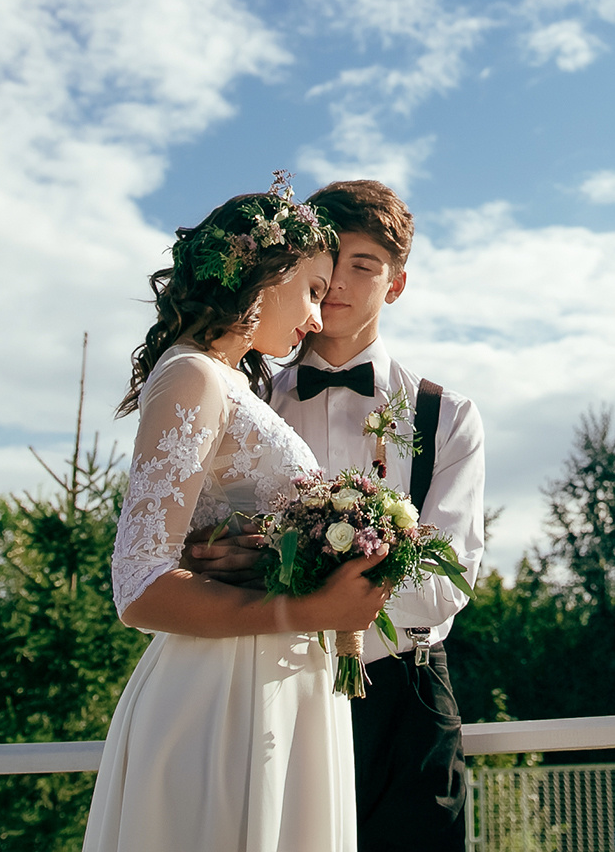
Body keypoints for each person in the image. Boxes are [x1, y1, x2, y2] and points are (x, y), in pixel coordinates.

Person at [82, 181, 399, 852]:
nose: (317, 317)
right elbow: (137, 585)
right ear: (269, 273)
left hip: (274, 690)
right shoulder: (193, 376)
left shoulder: (226, 380)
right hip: (224, 699)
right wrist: (303, 611)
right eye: (313, 289)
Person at [186, 179, 486, 852]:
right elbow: (199, 548)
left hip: (405, 700)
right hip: (269, 688)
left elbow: (447, 584)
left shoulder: (448, 416)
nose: (342, 285)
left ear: (397, 285)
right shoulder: (245, 400)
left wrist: (285, 567)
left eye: (366, 265)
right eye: (332, 263)